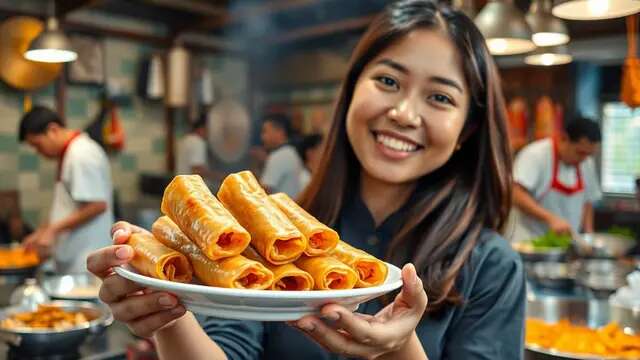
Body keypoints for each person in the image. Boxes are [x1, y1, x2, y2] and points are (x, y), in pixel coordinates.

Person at [86, 1, 525, 359]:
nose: (404, 113)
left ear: (467, 128)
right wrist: (169, 310)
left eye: (440, 97)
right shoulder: (270, 236)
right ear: (351, 90)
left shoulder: (492, 266)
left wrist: (397, 351)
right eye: (388, 80)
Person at [19, 105, 113, 274]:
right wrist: (42, 231)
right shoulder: (70, 152)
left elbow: (97, 205)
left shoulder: (81, 154)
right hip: (74, 255)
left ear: (53, 130)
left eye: (38, 145)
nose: (39, 152)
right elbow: (67, 205)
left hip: (87, 257)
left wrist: (53, 230)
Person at [509, 117, 602, 242]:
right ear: (564, 139)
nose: (584, 159)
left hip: (566, 245)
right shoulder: (536, 155)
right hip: (529, 242)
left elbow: (588, 201)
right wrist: (550, 218)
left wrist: (588, 236)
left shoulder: (586, 162)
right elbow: (515, 194)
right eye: (580, 152)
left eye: (589, 154)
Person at [259, 113, 305, 197]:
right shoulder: (291, 152)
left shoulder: (278, 156)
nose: (262, 137)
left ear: (280, 131)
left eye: (265, 131)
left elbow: (263, 192)